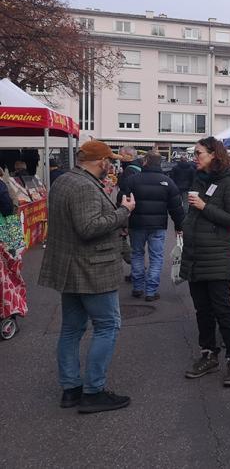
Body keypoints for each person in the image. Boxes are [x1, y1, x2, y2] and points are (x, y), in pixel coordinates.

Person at [37, 140, 136, 413]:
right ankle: (93, 391)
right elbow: (89, 227)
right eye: (109, 161)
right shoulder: (83, 186)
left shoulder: (65, 181)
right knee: (108, 326)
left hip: (72, 267)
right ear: (101, 162)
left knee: (72, 329)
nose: (111, 166)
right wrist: (124, 211)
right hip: (91, 268)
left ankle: (71, 389)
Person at [180, 136, 230, 387]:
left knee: (222, 311)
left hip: (217, 258)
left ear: (214, 155)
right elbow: (193, 214)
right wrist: (186, 225)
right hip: (195, 257)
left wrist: (204, 206)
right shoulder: (200, 179)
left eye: (198, 153)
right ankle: (209, 354)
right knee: (202, 311)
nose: (194, 157)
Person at [121, 151, 185, 301]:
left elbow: (121, 200)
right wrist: (179, 226)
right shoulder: (167, 181)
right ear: (160, 163)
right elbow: (176, 207)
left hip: (136, 224)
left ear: (145, 162)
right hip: (158, 226)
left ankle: (137, 287)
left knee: (137, 254)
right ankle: (151, 291)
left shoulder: (132, 180)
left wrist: (123, 223)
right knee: (156, 257)